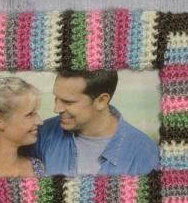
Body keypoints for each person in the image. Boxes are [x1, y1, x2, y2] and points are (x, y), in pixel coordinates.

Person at [29, 70, 159, 176]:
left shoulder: (145, 153)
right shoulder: (40, 134)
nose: (56, 109)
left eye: (68, 102)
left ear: (101, 101)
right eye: (56, 98)